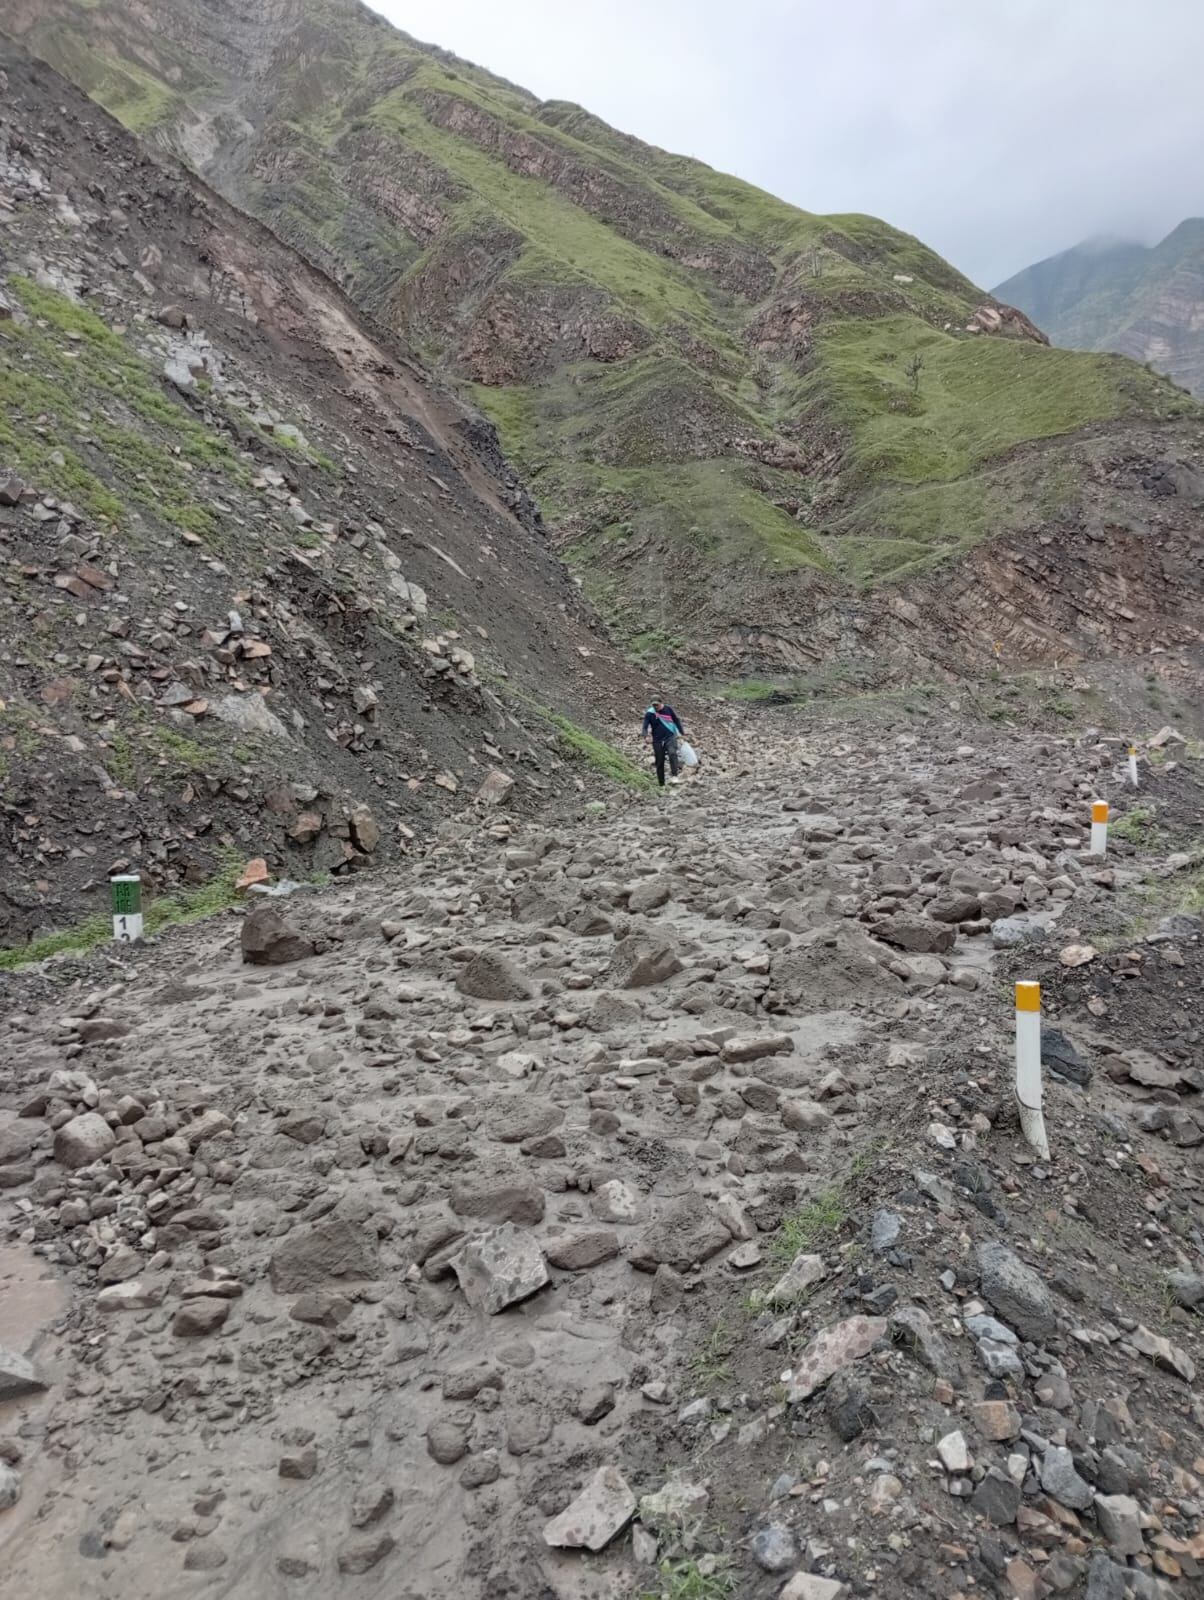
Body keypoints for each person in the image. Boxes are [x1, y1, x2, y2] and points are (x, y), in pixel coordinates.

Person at [642, 697, 685, 788]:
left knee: (672, 753)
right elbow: (645, 726)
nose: (655, 707)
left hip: (670, 736)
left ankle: (674, 776)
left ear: (661, 703)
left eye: (656, 704)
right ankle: (661, 784)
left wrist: (681, 732)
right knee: (659, 761)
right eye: (653, 705)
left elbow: (676, 720)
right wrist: (645, 735)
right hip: (657, 739)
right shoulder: (650, 713)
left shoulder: (668, 709)